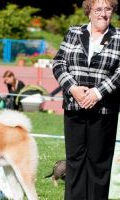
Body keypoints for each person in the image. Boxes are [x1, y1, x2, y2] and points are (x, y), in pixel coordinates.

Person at [52, 0, 120, 199]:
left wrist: (97, 93)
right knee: (75, 161)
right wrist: (73, 88)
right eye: (98, 9)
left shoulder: (118, 37)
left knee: (98, 164)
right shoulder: (74, 32)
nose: (103, 14)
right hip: (74, 107)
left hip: (104, 110)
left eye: (108, 9)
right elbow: (58, 62)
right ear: (89, 12)